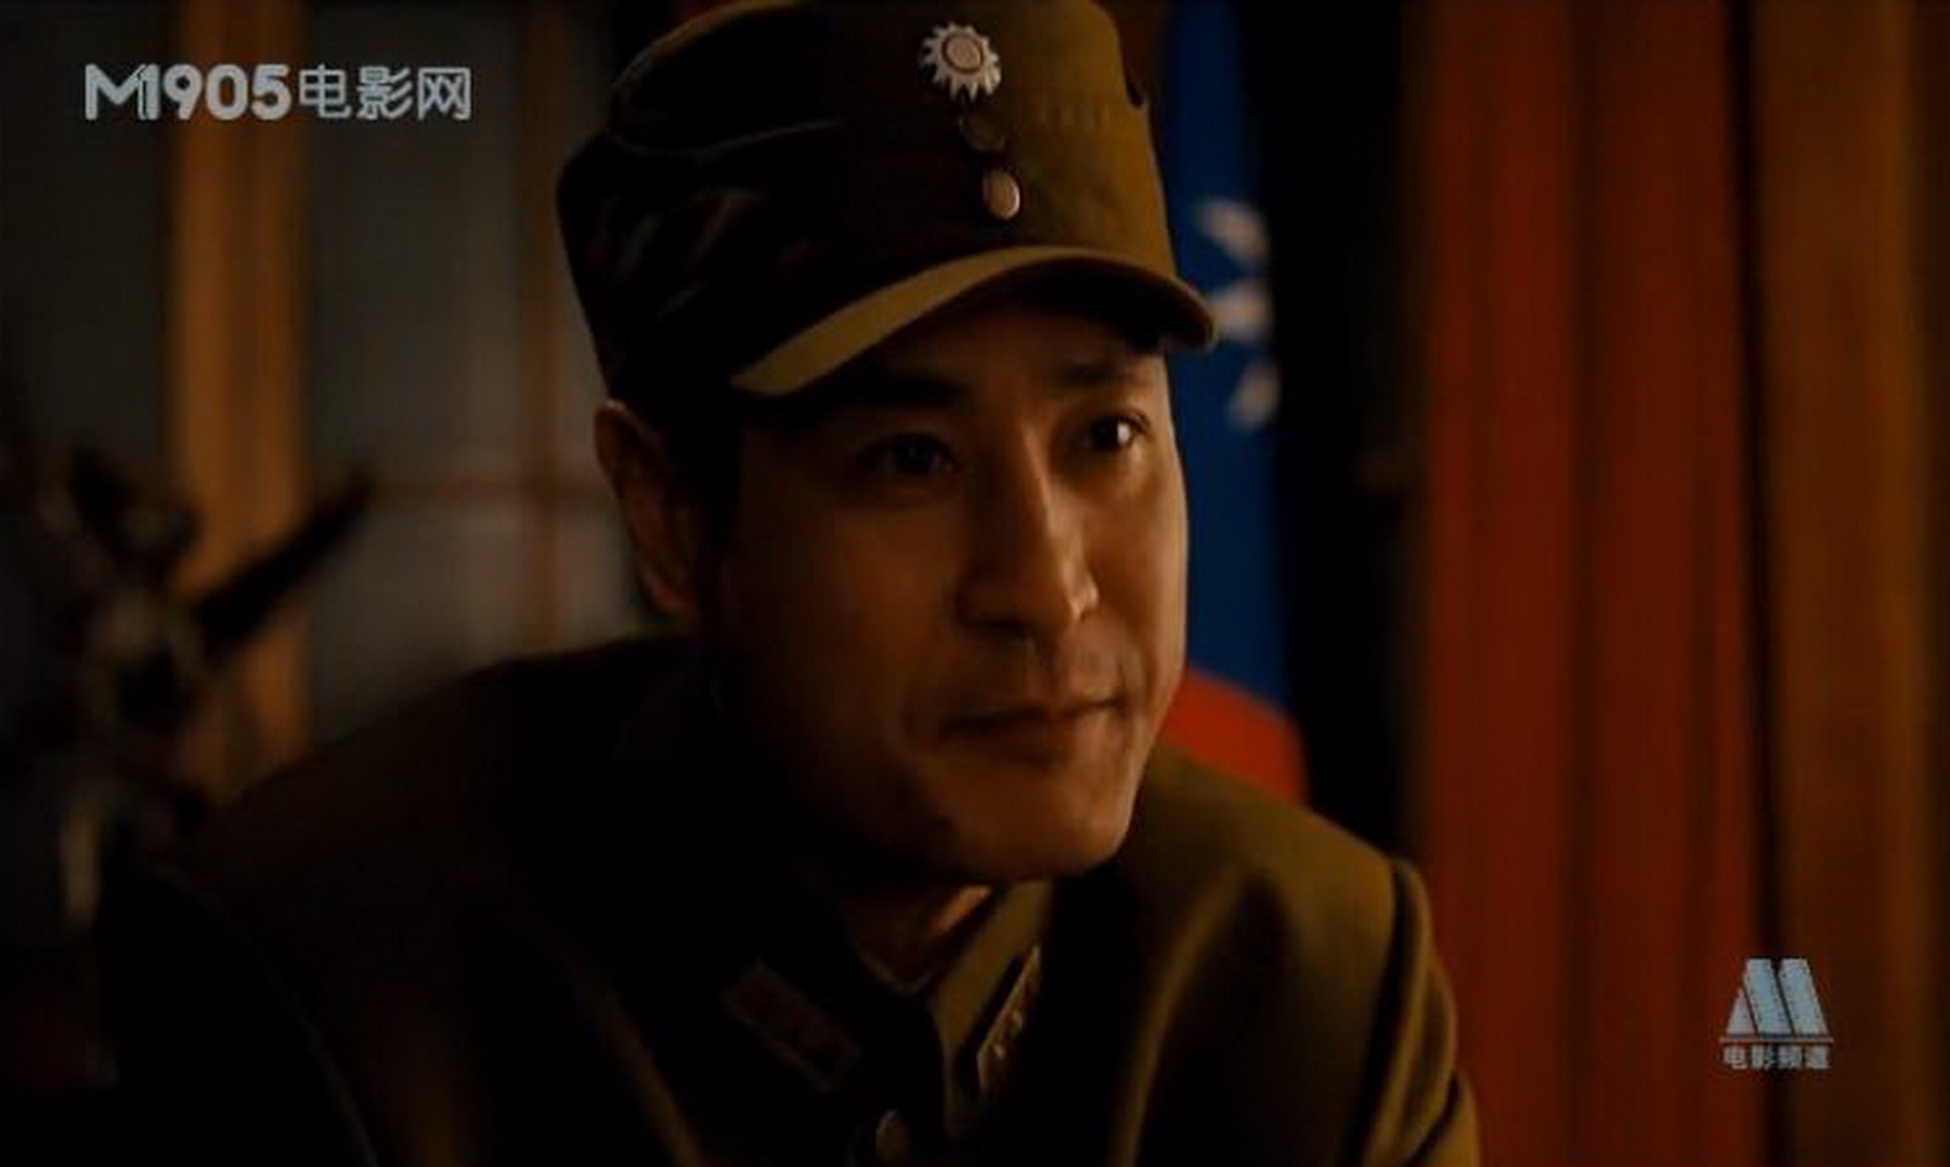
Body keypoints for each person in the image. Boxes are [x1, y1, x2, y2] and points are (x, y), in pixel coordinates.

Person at [102, 2, 1478, 1165]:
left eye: (1106, 437)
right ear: (672, 516)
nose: (1046, 589)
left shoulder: (1317, 982)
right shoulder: (334, 989)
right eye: (910, 459)